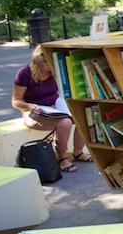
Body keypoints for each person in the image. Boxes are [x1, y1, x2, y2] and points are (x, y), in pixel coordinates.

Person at [12, 45, 92, 173]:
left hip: (55, 109)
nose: (49, 67)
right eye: (46, 64)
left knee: (82, 116)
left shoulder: (53, 72)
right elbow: (15, 101)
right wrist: (29, 106)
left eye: (51, 64)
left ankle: (78, 151)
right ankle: (62, 157)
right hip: (34, 113)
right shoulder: (25, 73)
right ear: (38, 61)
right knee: (65, 123)